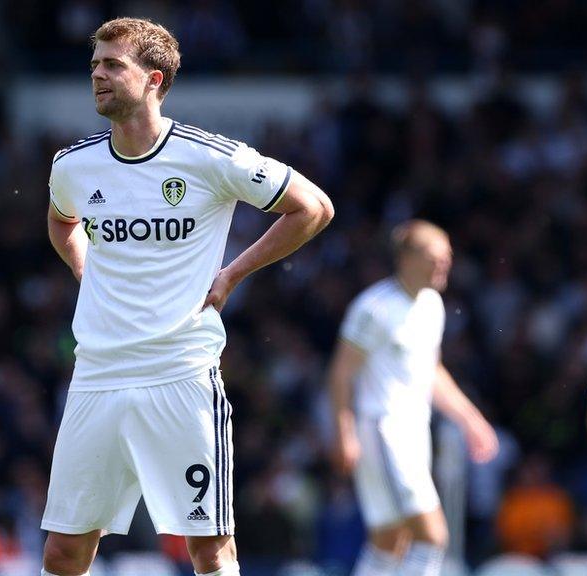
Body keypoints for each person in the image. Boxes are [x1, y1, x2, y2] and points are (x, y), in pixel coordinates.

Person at [42, 17, 334, 576]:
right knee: (64, 553)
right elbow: (62, 223)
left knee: (209, 551)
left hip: (180, 374)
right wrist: (86, 271)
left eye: (112, 65)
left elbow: (313, 207)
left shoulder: (208, 157)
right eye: (94, 64)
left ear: (154, 79)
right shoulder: (72, 165)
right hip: (97, 375)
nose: (97, 75)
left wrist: (230, 276)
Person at [327, 220, 498, 576]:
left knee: (389, 539)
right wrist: (344, 433)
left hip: (413, 431)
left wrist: (470, 419)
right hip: (384, 430)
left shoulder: (432, 304)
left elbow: (431, 371)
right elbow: (341, 373)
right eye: (436, 257)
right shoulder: (373, 308)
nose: (445, 264)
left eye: (448, 257)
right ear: (406, 258)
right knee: (433, 536)